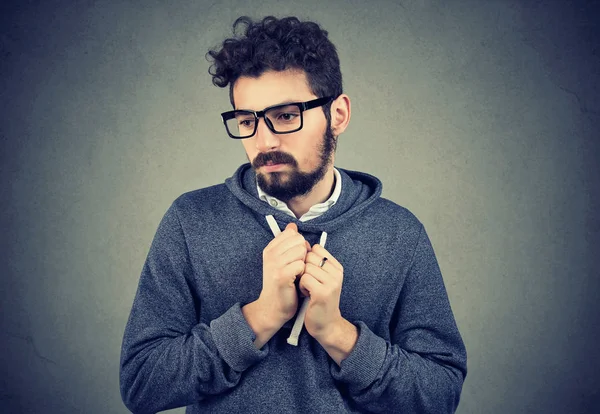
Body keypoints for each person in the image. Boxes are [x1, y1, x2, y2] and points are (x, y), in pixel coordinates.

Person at [120, 15, 467, 414]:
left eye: (285, 115)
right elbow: (141, 383)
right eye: (247, 121)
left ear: (338, 114)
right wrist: (259, 318)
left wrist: (338, 335)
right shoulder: (190, 220)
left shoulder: (400, 234)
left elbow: (440, 394)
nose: (263, 141)